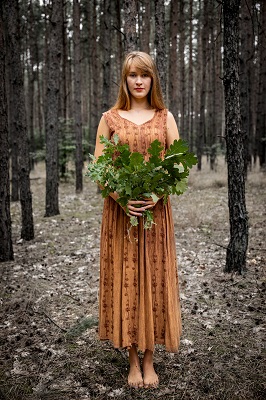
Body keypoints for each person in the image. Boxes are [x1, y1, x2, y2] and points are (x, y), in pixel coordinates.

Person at [94, 51, 182, 388]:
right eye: (133, 75)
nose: (139, 81)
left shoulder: (164, 117)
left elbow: (179, 164)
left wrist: (157, 194)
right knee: (127, 280)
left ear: (152, 79)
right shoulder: (111, 118)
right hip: (122, 216)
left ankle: (150, 360)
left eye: (145, 74)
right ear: (125, 79)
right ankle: (132, 360)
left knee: (154, 281)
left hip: (156, 215)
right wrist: (121, 198)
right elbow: (99, 169)